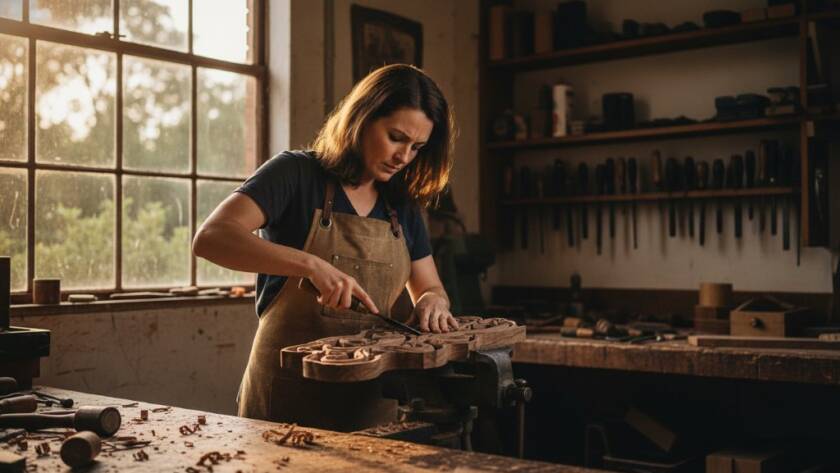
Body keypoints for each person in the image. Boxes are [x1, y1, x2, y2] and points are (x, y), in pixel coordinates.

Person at [192, 64, 458, 431]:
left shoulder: (401, 205)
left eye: (417, 147)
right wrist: (310, 265)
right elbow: (212, 237)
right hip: (285, 401)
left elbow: (429, 286)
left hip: (369, 405)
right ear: (361, 120)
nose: (404, 157)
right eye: (396, 137)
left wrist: (433, 301)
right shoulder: (296, 174)